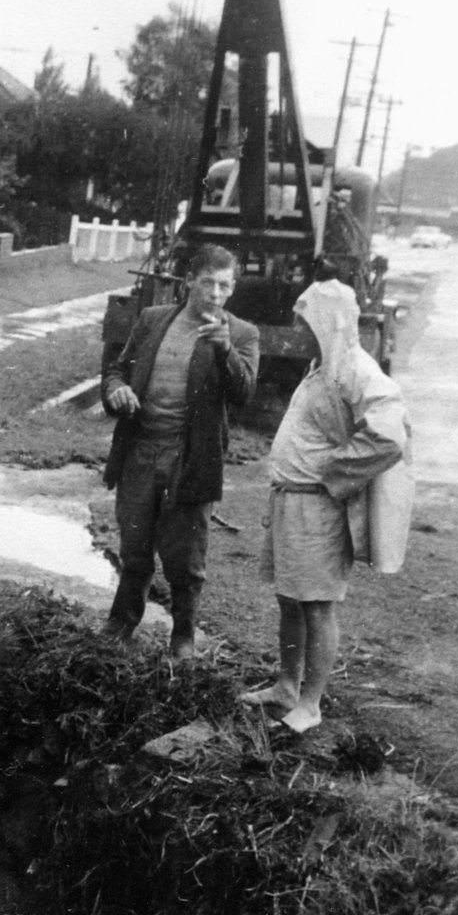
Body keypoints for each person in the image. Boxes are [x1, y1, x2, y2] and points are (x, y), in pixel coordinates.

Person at [242, 278, 412, 733]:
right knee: (289, 600)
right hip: (290, 503)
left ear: (331, 322)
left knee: (317, 605)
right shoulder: (323, 367)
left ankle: (311, 703)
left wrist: (338, 472)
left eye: (307, 322)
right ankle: (286, 686)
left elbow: (391, 434)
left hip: (318, 508)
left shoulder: (357, 369)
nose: (299, 331)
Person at [100, 245, 259, 659]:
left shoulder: (242, 334)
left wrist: (225, 350)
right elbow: (118, 367)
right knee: (134, 547)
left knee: (185, 558)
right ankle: (122, 621)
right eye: (207, 282)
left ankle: (183, 634)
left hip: (189, 459)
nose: (215, 293)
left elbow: (243, 394)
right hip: (141, 451)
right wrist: (116, 389)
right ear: (189, 281)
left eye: (225, 285)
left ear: (233, 288)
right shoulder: (153, 320)